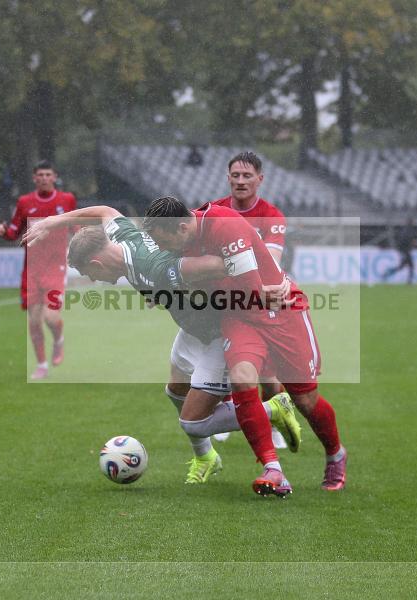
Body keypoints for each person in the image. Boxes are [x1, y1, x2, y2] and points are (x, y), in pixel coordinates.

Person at [22, 205, 302, 486]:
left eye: (90, 275)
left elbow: (218, 263)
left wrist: (259, 290)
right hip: (191, 329)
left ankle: (274, 408)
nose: (94, 280)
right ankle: (206, 458)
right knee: (175, 391)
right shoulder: (122, 235)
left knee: (194, 422)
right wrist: (52, 222)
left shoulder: (154, 268)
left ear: (96, 264)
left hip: (216, 334)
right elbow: (105, 211)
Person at [144, 197, 347, 496]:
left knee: (305, 399)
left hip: (280, 310)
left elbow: (254, 293)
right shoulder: (183, 236)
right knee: (242, 378)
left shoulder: (223, 226)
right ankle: (273, 469)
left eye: (166, 242)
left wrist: (183, 288)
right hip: (240, 317)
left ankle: (335, 455)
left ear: (183, 226)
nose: (165, 250)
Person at [202, 151, 288, 448]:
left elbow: (271, 261)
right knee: (224, 361)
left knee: (268, 373)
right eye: (235, 176)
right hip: (223, 299)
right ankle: (224, 413)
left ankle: (275, 423)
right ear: (228, 178)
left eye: (247, 176)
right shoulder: (213, 211)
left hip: (260, 299)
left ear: (259, 179)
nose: (240, 181)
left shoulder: (272, 216)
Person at [0, 160, 76, 379]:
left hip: (55, 267)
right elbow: (13, 232)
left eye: (48, 174)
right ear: (34, 178)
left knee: (50, 317)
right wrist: (3, 232)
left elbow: (76, 226)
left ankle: (58, 340)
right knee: (34, 321)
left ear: (55, 177)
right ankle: (42, 365)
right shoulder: (25, 202)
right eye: (41, 174)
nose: (45, 178)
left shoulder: (66, 200)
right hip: (31, 270)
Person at [382, 218, 416, 284]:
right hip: (406, 251)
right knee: (407, 266)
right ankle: (386, 274)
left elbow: (401, 241)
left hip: (404, 251)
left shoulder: (404, 230)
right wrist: (408, 247)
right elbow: (406, 241)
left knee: (404, 266)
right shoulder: (408, 231)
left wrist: (401, 249)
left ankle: (409, 281)